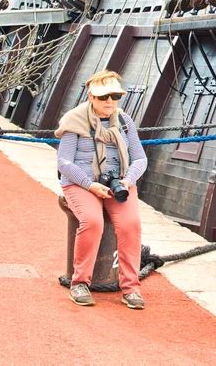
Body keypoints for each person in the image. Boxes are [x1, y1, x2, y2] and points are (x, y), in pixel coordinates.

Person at [55, 70, 147, 309]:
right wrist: (89, 184)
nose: (110, 102)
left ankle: (131, 288)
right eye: (103, 97)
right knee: (92, 222)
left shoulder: (125, 122)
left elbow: (140, 158)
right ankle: (80, 282)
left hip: (118, 183)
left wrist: (128, 180)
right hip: (81, 183)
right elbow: (64, 162)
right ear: (91, 97)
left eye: (115, 96)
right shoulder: (74, 120)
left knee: (130, 225)